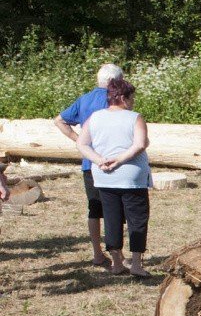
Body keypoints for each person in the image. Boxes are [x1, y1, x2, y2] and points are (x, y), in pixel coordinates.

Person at [76, 78, 152, 277]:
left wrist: (99, 160)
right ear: (123, 98)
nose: (133, 101)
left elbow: (82, 144)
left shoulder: (94, 117)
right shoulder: (134, 117)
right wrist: (119, 160)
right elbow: (140, 144)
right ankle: (136, 264)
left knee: (111, 219)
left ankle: (116, 263)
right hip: (131, 178)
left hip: (104, 177)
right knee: (137, 219)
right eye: (132, 97)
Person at [54, 63, 124, 268]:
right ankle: (117, 256)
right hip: (112, 161)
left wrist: (80, 142)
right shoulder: (116, 99)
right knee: (114, 209)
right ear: (115, 82)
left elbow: (59, 120)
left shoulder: (84, 99)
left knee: (94, 209)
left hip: (89, 161)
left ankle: (97, 253)